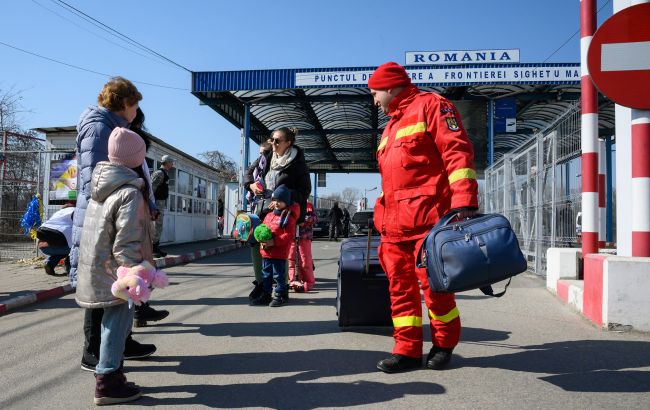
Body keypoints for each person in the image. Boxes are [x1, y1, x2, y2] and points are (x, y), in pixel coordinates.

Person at [368, 62, 478, 373]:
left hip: (429, 224)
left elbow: (457, 153)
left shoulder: (432, 106)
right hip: (393, 229)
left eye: (375, 92)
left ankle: (444, 345)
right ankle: (406, 351)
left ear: (390, 87)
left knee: (436, 291)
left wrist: (464, 201)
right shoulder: (390, 126)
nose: (373, 99)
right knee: (400, 292)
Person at [72, 77, 156, 372]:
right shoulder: (99, 127)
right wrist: (126, 197)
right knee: (103, 285)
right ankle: (93, 351)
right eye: (135, 105)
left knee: (117, 287)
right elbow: (98, 179)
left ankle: (120, 343)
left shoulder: (114, 126)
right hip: (105, 217)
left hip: (115, 213)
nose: (136, 112)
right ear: (124, 103)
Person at [75, 127, 152, 405]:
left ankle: (113, 376)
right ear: (135, 158)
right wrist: (133, 276)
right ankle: (107, 380)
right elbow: (127, 240)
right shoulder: (129, 192)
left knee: (111, 323)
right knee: (116, 325)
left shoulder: (101, 185)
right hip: (118, 272)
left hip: (99, 266)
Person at [244, 128, 311, 301]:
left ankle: (281, 291)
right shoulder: (266, 157)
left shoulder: (298, 163)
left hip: (284, 213)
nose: (272, 143)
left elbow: (304, 191)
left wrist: (283, 198)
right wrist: (251, 185)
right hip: (263, 210)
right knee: (259, 245)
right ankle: (263, 286)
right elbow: (248, 174)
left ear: (288, 143)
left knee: (278, 249)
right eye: (272, 139)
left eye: (277, 140)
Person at [129, 108, 171, 327]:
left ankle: (140, 310)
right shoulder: (131, 159)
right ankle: (138, 312)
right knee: (136, 265)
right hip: (135, 215)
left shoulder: (139, 160)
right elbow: (147, 185)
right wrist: (150, 203)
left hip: (143, 211)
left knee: (140, 266)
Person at [251, 185, 300, 307]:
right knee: (266, 274)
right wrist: (259, 237)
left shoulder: (289, 217)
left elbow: (288, 235)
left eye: (280, 200)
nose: (277, 203)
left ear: (287, 202)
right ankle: (266, 294)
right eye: (275, 200)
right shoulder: (269, 215)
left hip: (279, 252)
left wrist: (274, 242)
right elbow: (263, 229)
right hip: (266, 251)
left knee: (278, 275)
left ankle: (280, 295)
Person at [37, 202, 75, 275]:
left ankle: (49, 263)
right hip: (61, 245)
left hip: (43, 247)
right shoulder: (75, 212)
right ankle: (70, 268)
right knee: (75, 250)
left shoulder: (58, 213)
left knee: (60, 251)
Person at [288, 201, 317, 292]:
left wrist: (303, 220)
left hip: (304, 236)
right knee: (291, 259)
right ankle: (293, 280)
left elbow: (314, 218)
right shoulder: (289, 203)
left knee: (305, 260)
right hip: (291, 236)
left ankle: (308, 282)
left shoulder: (308, 205)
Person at [151, 154, 174, 258]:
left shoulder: (164, 173)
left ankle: (156, 247)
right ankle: (152, 248)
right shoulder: (160, 173)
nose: (172, 164)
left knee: (159, 226)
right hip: (156, 203)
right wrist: (151, 204)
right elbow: (152, 188)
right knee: (156, 225)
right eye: (171, 162)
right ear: (167, 162)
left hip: (160, 203)